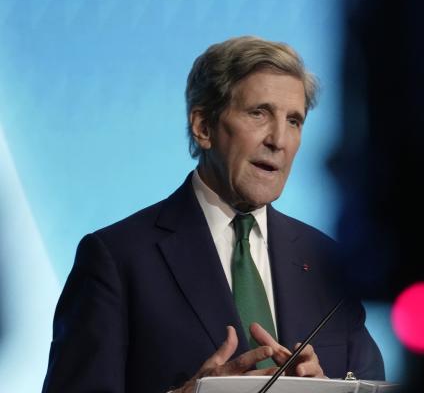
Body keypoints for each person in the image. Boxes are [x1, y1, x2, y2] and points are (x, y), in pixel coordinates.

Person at [42, 36, 384, 393]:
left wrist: (327, 388)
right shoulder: (117, 259)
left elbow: (370, 382)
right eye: (259, 113)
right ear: (203, 126)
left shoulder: (329, 263)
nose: (279, 139)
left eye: (294, 121)